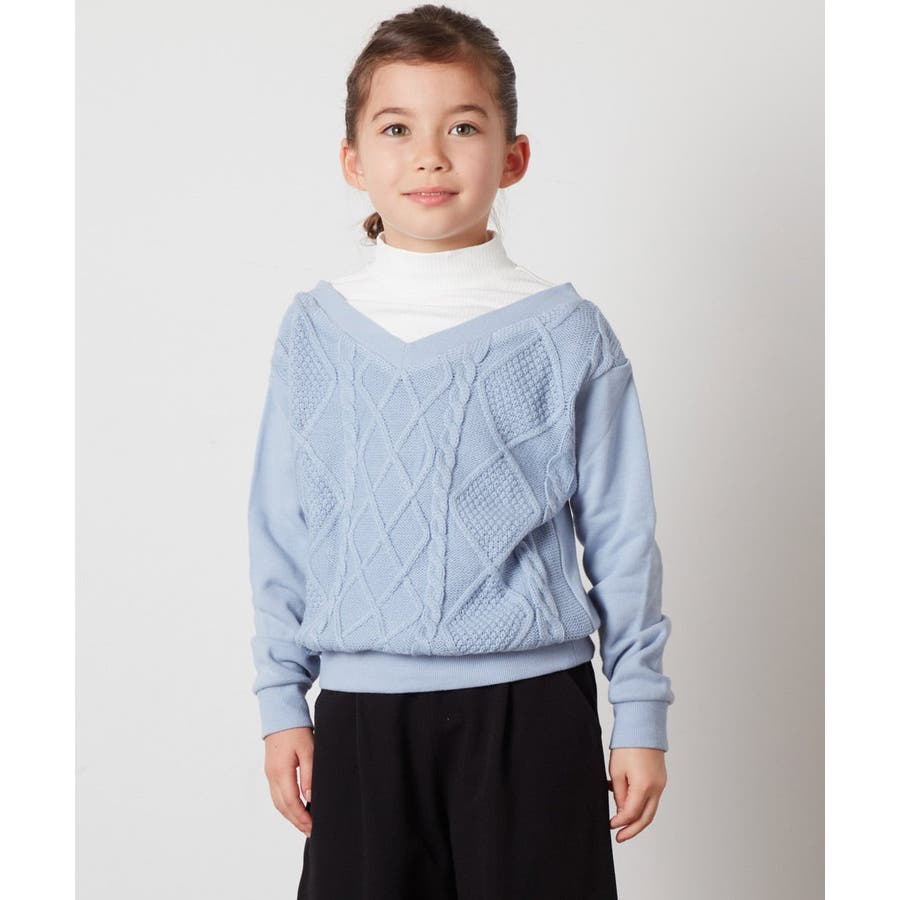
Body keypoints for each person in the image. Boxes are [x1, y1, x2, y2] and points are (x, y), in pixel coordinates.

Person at [247, 5, 674, 898]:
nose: (430, 156)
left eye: (464, 127)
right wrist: (282, 698)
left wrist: (639, 710)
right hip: (362, 717)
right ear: (353, 160)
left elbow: (622, 535)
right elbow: (284, 528)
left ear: (514, 156)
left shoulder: (567, 332)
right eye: (396, 128)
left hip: (533, 712)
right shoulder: (316, 332)